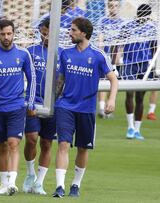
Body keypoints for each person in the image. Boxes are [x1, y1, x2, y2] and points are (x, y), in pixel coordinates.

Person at [52, 17, 118, 198]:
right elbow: (60, 81)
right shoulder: (65, 53)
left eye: (73, 30)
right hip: (65, 106)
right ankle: (59, 187)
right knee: (63, 144)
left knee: (83, 148)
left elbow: (113, 79)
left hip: (87, 109)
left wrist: (111, 100)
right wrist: (53, 104)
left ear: (83, 32)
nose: (70, 33)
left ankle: (75, 184)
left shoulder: (98, 55)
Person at [0, 19, 36, 196]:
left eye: (9, 33)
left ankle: (12, 182)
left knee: (13, 143)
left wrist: (30, 102)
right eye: (3, 34)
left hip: (17, 106)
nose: (6, 37)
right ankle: (3, 183)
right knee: (1, 146)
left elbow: (32, 79)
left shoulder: (23, 54)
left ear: (14, 34)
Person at [22, 17, 62, 195]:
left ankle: (39, 182)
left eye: (50, 34)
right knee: (31, 139)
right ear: (40, 31)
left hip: (54, 105)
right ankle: (30, 173)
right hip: (33, 102)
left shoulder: (61, 53)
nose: (47, 37)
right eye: (44, 33)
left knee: (47, 143)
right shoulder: (30, 52)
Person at [120, 4, 157, 140]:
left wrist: (153, 66)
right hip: (130, 64)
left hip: (145, 66)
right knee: (129, 94)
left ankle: (137, 129)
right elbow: (119, 44)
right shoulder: (127, 26)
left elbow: (154, 48)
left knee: (140, 98)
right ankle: (130, 127)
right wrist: (114, 63)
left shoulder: (151, 28)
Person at [96, 0, 123, 119]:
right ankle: (101, 108)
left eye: (116, 6)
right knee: (102, 81)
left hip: (115, 58)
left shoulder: (122, 23)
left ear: (119, 7)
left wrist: (119, 57)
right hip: (104, 56)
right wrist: (102, 54)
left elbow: (123, 42)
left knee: (112, 81)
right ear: (108, 7)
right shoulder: (103, 21)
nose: (114, 8)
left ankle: (109, 108)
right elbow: (100, 40)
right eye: (111, 6)